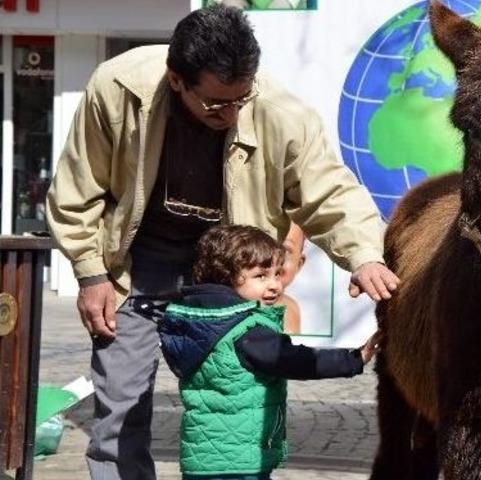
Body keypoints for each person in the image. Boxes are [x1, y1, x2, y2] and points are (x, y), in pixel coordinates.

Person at [45, 5, 398, 479]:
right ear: (177, 80)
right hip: (137, 264)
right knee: (120, 407)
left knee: (242, 396)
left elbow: (330, 192)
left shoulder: (281, 114)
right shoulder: (118, 89)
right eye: (215, 104)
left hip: (227, 275)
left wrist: (363, 255)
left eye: (240, 98)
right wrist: (91, 274)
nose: (230, 113)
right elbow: (76, 189)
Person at [157, 225, 380, 480]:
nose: (275, 285)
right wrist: (353, 359)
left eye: (277, 273)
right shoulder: (247, 331)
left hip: (202, 460)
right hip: (240, 463)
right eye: (261, 276)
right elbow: (295, 361)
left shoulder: (198, 322)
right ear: (225, 275)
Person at [278, 221, 306, 333]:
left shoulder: (292, 307)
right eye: (262, 248)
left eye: (284, 251)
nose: (273, 259)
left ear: (299, 265)